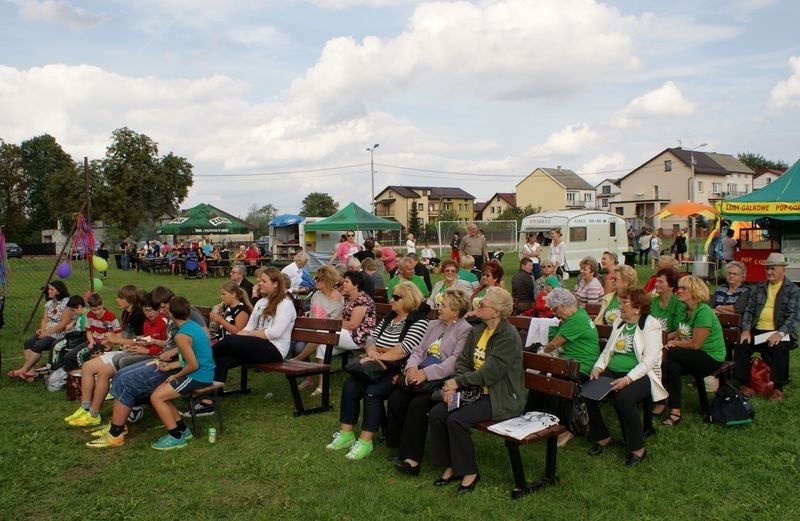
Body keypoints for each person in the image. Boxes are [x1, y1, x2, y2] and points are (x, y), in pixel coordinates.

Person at [86, 289, 209, 448]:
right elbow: (176, 344)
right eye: (159, 308)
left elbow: (199, 344)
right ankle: (119, 426)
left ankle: (116, 433)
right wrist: (159, 345)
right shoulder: (175, 319)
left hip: (175, 367)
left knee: (126, 381)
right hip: (167, 361)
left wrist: (172, 358)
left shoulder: (186, 316)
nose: (161, 312)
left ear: (172, 304)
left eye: (163, 308)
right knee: (121, 374)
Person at [429, 287, 524, 492]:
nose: (478, 305)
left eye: (483, 304)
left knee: (456, 419)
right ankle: (452, 465)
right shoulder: (478, 330)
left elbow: (490, 374)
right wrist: (454, 385)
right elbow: (462, 362)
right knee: (437, 413)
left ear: (496, 312)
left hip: (500, 395)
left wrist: (457, 383)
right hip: (475, 390)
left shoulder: (508, 336)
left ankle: (469, 472)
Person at [325, 282, 430, 460]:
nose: (392, 300)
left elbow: (403, 349)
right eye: (392, 296)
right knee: (350, 385)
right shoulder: (391, 317)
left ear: (409, 299)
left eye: (397, 297)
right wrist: (372, 350)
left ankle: (366, 441)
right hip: (376, 363)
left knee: (372, 392)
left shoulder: (419, 322)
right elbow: (371, 337)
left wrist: (376, 357)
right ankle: (346, 434)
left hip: (396, 368)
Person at [388, 289, 472, 476]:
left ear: (456, 311)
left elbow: (453, 362)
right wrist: (411, 368)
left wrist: (425, 374)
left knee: (418, 405)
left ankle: (412, 461)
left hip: (440, 380)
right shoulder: (433, 324)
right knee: (396, 399)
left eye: (443, 305)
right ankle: (400, 448)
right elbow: (418, 351)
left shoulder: (465, 330)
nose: (438, 308)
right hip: (419, 373)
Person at [586, 288, 667, 466]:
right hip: (614, 371)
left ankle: (637, 448)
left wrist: (628, 379)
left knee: (623, 400)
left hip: (641, 375)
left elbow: (648, 361)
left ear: (637, 308)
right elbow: (608, 350)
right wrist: (598, 367)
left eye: (624, 303)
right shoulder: (620, 323)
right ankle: (602, 437)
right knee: (587, 393)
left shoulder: (651, 325)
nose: (619, 306)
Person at [148, 296, 215, 450]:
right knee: (160, 393)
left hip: (199, 376)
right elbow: (192, 358)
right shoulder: (193, 325)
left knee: (156, 398)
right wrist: (172, 366)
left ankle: (176, 437)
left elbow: (193, 364)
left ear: (171, 313)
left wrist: (175, 375)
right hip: (204, 372)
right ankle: (183, 430)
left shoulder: (181, 336)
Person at [212, 267, 297, 384]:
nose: (259, 284)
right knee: (221, 358)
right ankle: (209, 394)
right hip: (255, 345)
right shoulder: (261, 302)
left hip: (275, 349)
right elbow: (249, 327)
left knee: (230, 341)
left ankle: (201, 356)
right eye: (259, 281)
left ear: (276, 283)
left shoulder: (285, 304)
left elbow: (274, 333)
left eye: (264, 281)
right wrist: (243, 334)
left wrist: (247, 334)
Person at [660, 276, 725, 425]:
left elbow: (696, 344)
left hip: (710, 357)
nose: (678, 291)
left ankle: (658, 398)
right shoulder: (684, 310)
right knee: (673, 367)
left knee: (669, 354)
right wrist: (665, 341)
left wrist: (672, 344)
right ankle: (675, 411)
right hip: (692, 355)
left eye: (683, 288)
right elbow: (679, 333)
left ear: (695, 291)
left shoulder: (704, 312)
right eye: (679, 288)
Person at [735, 253, 799, 402]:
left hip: (782, 330)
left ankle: (778, 388)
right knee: (742, 344)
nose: (769, 272)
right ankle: (745, 384)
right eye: (767, 269)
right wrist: (745, 330)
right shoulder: (758, 288)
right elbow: (749, 311)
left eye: (773, 269)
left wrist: (780, 333)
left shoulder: (793, 290)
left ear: (783, 270)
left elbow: (793, 316)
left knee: (778, 346)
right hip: (759, 330)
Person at [541, 288, 600, 446]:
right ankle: (546, 421)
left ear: (562, 305)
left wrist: (541, 352)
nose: (555, 314)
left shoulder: (576, 319)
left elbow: (553, 344)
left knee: (555, 383)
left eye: (555, 310)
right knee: (543, 381)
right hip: (570, 364)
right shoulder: (577, 315)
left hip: (581, 368)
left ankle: (567, 428)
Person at [310, 270, 377, 396]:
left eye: (347, 281)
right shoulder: (348, 298)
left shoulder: (362, 299)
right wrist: (334, 323)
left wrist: (332, 324)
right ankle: (322, 386)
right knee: (322, 347)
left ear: (356, 284)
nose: (343, 283)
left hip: (359, 338)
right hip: (347, 334)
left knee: (322, 333)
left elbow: (353, 325)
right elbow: (340, 319)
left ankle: (300, 358)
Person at [10, 280, 73, 381]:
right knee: (28, 343)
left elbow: (63, 324)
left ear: (59, 291)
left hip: (60, 334)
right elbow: (44, 319)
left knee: (38, 345)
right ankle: (30, 371)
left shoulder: (67, 304)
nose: (48, 291)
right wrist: (43, 331)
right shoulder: (49, 303)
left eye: (51, 289)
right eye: (49, 289)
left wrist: (47, 333)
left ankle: (23, 370)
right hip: (47, 332)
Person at [650, 268, 685, 333]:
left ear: (671, 286)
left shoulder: (679, 303)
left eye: (660, 282)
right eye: (656, 281)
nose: (656, 284)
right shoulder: (652, 302)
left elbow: (678, 330)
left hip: (670, 340)